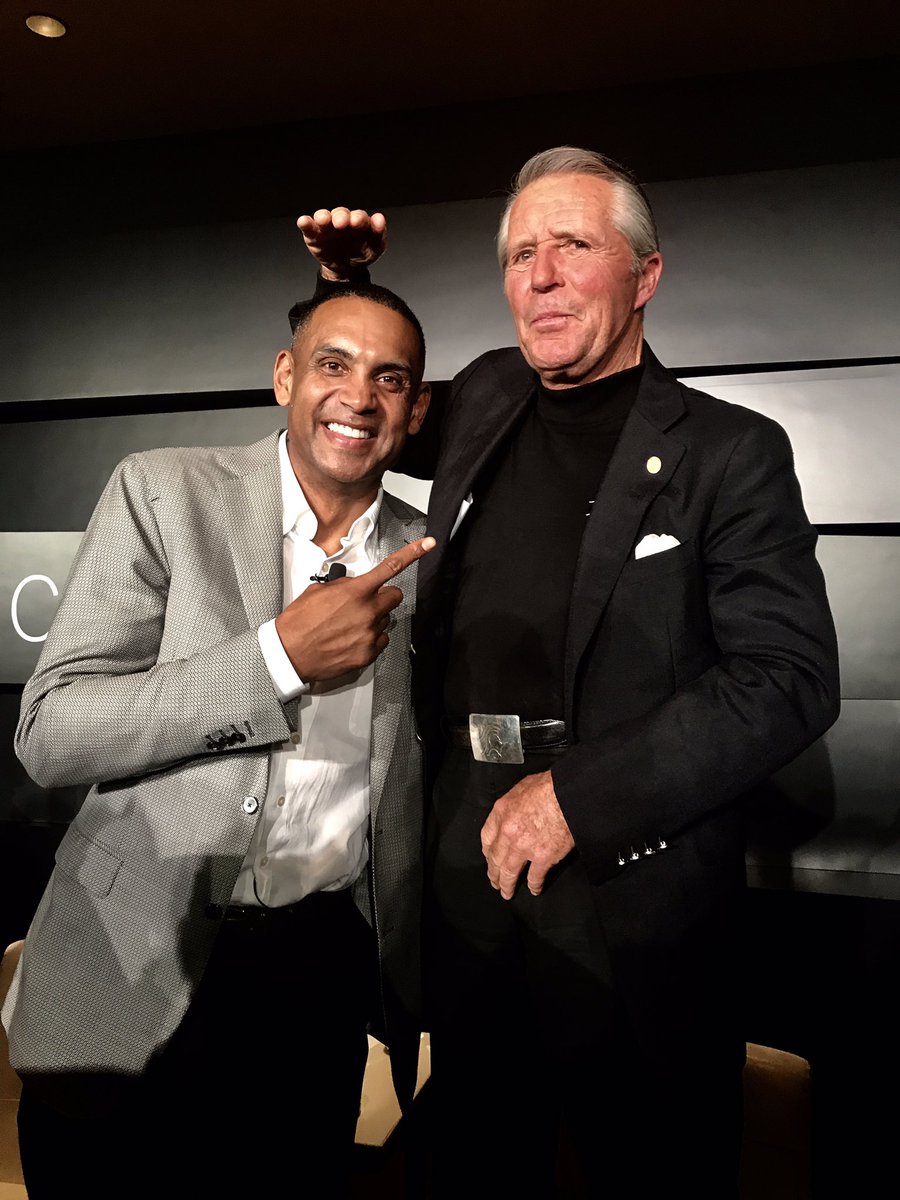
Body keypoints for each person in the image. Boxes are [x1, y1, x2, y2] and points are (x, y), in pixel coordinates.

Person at [299, 147, 841, 1198]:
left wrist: (579, 799)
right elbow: (358, 409)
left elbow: (787, 677)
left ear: (645, 276)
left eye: (574, 247)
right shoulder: (487, 395)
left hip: (629, 899)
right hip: (458, 876)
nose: (541, 276)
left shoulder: (731, 452)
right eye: (520, 254)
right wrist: (344, 289)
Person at [2, 282, 435, 1199]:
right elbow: (53, 731)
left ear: (417, 410)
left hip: (315, 989)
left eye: (390, 378)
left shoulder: (434, 554)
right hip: (130, 967)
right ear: (284, 378)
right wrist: (276, 659)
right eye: (332, 364)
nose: (359, 397)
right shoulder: (165, 491)